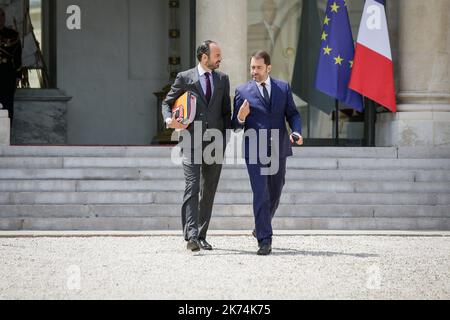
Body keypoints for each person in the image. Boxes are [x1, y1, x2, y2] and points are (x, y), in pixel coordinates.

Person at [162, 40, 231, 252]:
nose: (220, 58)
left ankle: (201, 235)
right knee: (192, 186)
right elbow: (167, 102)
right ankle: (191, 236)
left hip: (215, 143)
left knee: (208, 190)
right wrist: (168, 121)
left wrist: (228, 136)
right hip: (191, 140)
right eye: (216, 55)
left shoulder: (223, 79)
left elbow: (225, 112)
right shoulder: (185, 77)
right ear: (204, 57)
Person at [232, 51, 303, 256]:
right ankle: (265, 239)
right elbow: (235, 125)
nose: (254, 71)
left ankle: (260, 225)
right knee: (261, 192)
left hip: (278, 147)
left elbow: (293, 114)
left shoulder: (283, 88)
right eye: (252, 67)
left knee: (276, 191)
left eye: (258, 67)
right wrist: (241, 116)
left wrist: (296, 131)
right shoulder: (242, 91)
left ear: (268, 68)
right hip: (254, 150)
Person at [0, 8, 22, 126]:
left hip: (7, 75)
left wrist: (18, 75)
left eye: (1, 16)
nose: (0, 19)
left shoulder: (12, 35)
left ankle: (6, 137)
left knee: (7, 106)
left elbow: (17, 56)